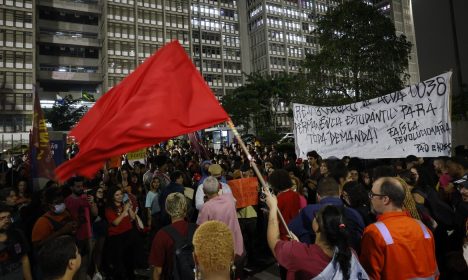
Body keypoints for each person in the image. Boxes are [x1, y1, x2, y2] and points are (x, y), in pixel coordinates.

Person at [264, 190, 368, 280]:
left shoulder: (297, 254)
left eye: (316, 216)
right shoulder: (351, 253)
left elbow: (274, 242)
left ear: (317, 226)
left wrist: (273, 208)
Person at [360, 177, 439, 279]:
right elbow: (434, 270)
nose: (370, 198)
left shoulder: (374, 232)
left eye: (372, 195)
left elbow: (369, 276)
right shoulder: (422, 227)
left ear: (385, 199)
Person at [289, 177, 364, 251]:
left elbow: (291, 231)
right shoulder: (354, 214)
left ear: (317, 196)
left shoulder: (307, 212)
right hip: (349, 260)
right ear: (339, 193)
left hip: (313, 260)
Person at [149, 192, 196, 280]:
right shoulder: (198, 229)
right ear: (185, 208)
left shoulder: (162, 235)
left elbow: (158, 271)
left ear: (167, 209)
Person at [197, 176, 244, 258]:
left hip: (219, 249)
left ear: (204, 191)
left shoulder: (206, 207)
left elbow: (201, 229)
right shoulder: (230, 198)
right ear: (219, 188)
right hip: (235, 244)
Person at [64, 176, 97, 279]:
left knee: (85, 264)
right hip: (74, 238)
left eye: (82, 186)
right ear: (71, 188)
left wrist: (92, 203)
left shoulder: (86, 197)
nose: (81, 188)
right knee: (74, 267)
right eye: (77, 186)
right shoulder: (67, 201)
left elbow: (95, 213)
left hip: (87, 235)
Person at [104, 187, 137, 280]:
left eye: (121, 194)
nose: (120, 196)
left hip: (128, 233)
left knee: (129, 259)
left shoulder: (124, 204)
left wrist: (129, 208)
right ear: (112, 196)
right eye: (117, 195)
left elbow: (133, 217)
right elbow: (115, 223)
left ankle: (131, 275)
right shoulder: (109, 208)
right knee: (119, 261)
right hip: (116, 237)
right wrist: (124, 211)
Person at [0, 203, 32, 280]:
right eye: (2, 218)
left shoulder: (16, 234)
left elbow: (23, 258)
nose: (6, 220)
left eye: (8, 217)